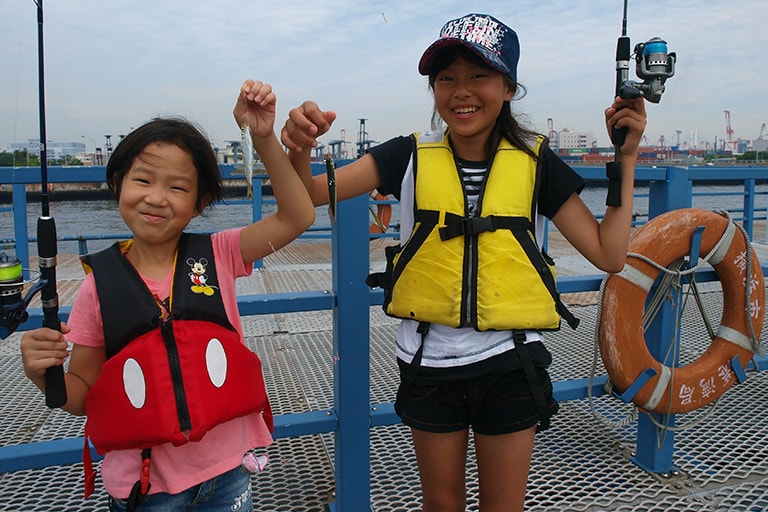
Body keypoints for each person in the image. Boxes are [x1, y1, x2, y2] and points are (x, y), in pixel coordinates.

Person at [280, 13, 646, 512]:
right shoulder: (404, 155)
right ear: (433, 89)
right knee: (441, 505)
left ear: (509, 87)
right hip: (429, 363)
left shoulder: (536, 162)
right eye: (446, 78)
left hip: (511, 362)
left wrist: (625, 158)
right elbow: (310, 193)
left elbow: (609, 253)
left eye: (479, 76)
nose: (461, 91)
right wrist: (299, 149)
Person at [20, 80, 315, 511]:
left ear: (200, 202)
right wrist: (41, 372)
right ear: (118, 184)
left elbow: (298, 215)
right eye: (142, 180)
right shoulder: (97, 287)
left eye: (178, 187)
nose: (156, 198)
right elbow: (82, 395)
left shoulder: (220, 252)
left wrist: (263, 136)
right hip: (147, 487)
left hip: (230, 472)